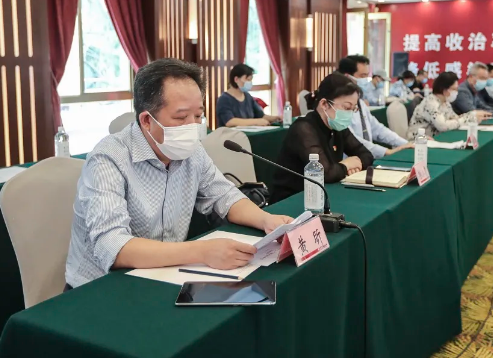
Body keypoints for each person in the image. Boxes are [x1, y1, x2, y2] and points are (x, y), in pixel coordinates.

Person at [65, 58, 293, 289]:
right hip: (102, 287)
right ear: (147, 120)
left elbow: (225, 196)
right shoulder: (108, 158)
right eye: (181, 118)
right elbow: (113, 246)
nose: (192, 127)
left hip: (164, 273)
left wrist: (267, 220)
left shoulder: (192, 152)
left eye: (198, 116)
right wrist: (201, 252)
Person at [270, 73, 374, 204]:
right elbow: (324, 173)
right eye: (347, 108)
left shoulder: (337, 126)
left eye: (353, 109)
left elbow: (367, 155)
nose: (349, 114)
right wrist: (346, 165)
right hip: (292, 200)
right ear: (324, 104)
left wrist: (353, 164)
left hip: (323, 196)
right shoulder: (303, 129)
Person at [336, 68, 413, 158]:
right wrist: (386, 151)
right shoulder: (339, 111)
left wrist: (405, 143)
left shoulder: (361, 103)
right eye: (362, 75)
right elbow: (353, 140)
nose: (365, 79)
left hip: (365, 157)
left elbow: (378, 129)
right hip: (351, 159)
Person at [407, 71, 492, 139]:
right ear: (444, 90)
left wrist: (473, 116)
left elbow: (455, 118)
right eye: (454, 89)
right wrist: (469, 117)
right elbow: (443, 126)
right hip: (419, 141)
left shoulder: (445, 102)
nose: (456, 92)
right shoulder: (430, 103)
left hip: (434, 139)